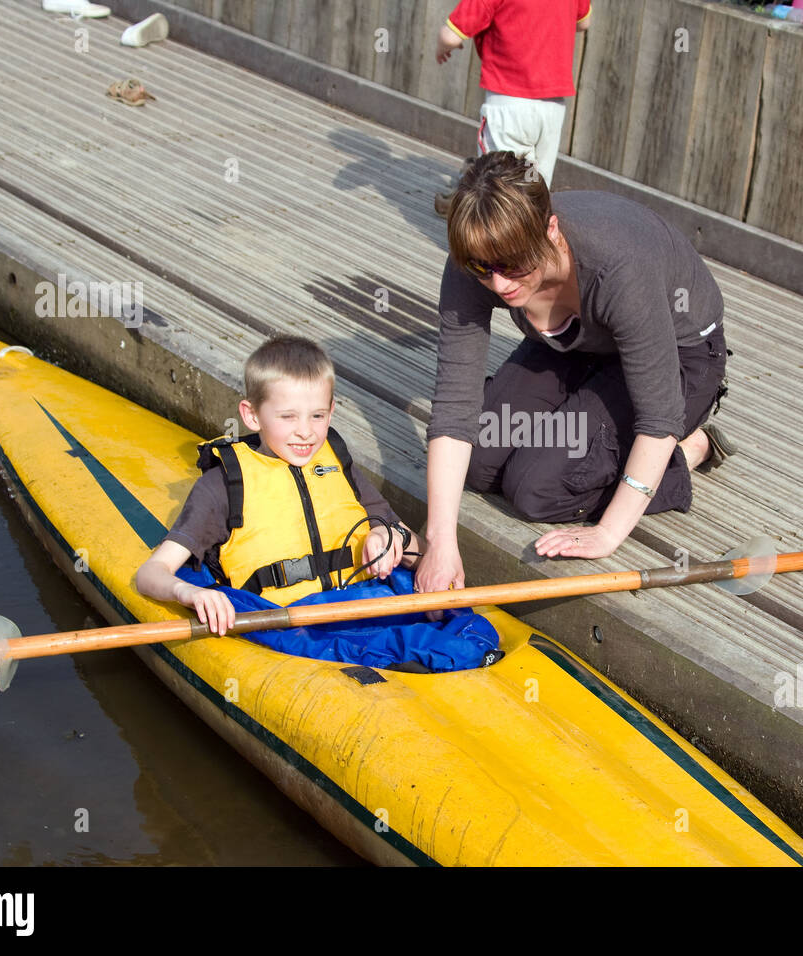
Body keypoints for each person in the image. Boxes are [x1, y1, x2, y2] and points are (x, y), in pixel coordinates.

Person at [415, 151, 735, 595]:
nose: (500, 284)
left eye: (513, 266)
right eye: (483, 269)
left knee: (537, 489)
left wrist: (607, 532)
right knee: (481, 461)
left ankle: (690, 453)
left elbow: (659, 418)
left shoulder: (619, 265)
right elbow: (454, 407)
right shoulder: (479, 254)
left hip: (681, 357)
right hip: (576, 344)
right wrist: (440, 541)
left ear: (551, 230)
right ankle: (588, 422)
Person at [136, 336, 418, 636]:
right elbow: (150, 574)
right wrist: (189, 593)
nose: (306, 432)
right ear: (252, 415)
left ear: (331, 411)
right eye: (288, 417)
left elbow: (414, 545)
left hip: (362, 613)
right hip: (283, 632)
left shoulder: (338, 464)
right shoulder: (221, 487)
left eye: (318, 416)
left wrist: (387, 535)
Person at [433, 0, 591, 214]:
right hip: (552, 108)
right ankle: (532, 238)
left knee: (493, 187)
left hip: (508, 105)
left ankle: (477, 229)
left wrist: (442, 47)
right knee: (536, 188)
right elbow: (583, 22)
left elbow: (450, 35)